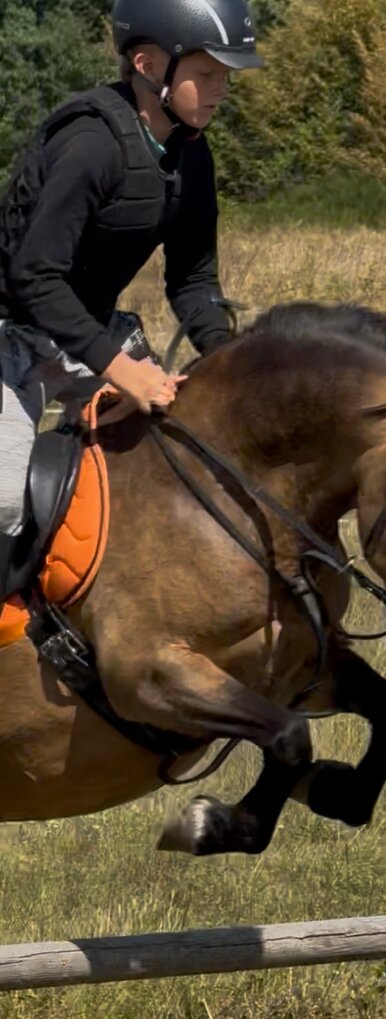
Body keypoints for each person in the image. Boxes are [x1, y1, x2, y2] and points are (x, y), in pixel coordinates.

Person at [0, 0, 264, 596]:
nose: (223, 89)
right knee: (3, 500)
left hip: (83, 331)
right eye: (209, 73)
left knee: (166, 455)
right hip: (8, 333)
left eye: (227, 75)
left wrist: (231, 362)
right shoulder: (91, 144)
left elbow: (193, 281)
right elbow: (35, 279)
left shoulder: (192, 154)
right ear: (148, 64)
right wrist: (124, 370)